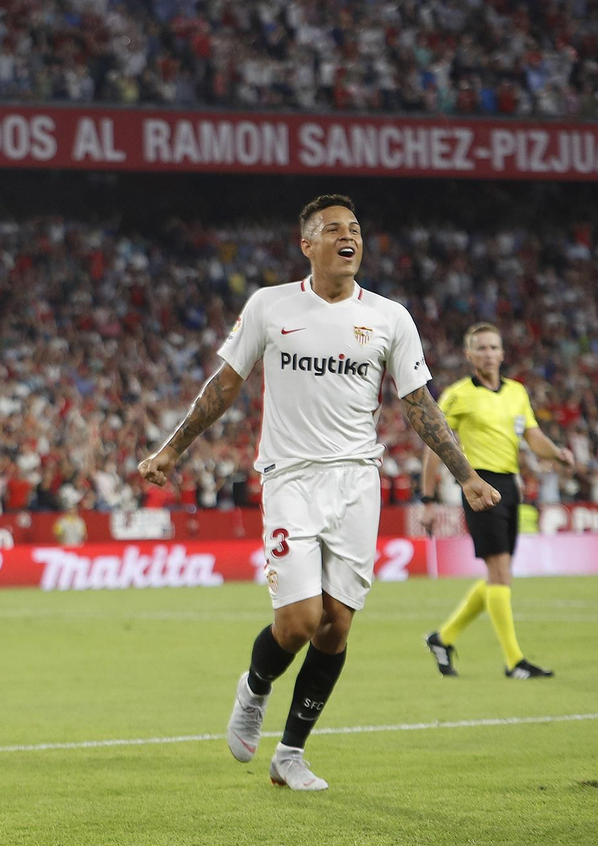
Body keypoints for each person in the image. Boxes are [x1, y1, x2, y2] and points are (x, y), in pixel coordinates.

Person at [138, 195, 498, 791]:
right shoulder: (270, 306)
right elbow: (225, 384)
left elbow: (419, 404)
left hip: (357, 481)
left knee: (336, 626)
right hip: (290, 478)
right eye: (333, 229)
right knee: (300, 620)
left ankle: (290, 754)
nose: (348, 235)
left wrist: (466, 475)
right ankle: (255, 687)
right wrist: (173, 449)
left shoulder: (389, 317)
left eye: (354, 228)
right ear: (307, 244)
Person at [420, 323, 572, 679]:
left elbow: (533, 437)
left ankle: (442, 638)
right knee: (500, 574)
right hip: (478, 486)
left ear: (503, 353)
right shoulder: (458, 395)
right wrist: (427, 499)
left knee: (499, 575)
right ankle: (514, 662)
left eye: (493, 347)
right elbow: (434, 445)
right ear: (469, 355)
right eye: (481, 348)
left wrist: (557, 454)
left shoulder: (517, 392)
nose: (488, 353)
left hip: (509, 486)